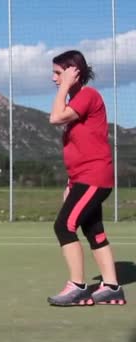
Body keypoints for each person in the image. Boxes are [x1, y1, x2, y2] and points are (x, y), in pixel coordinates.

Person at [47, 50, 126, 306]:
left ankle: (78, 288)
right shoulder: (77, 101)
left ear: (73, 72)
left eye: (58, 73)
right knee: (94, 231)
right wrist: (71, 184)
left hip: (94, 177)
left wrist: (66, 86)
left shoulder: (87, 96)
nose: (54, 78)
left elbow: (55, 117)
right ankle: (112, 287)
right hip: (83, 178)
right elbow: (80, 149)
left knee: (63, 226)